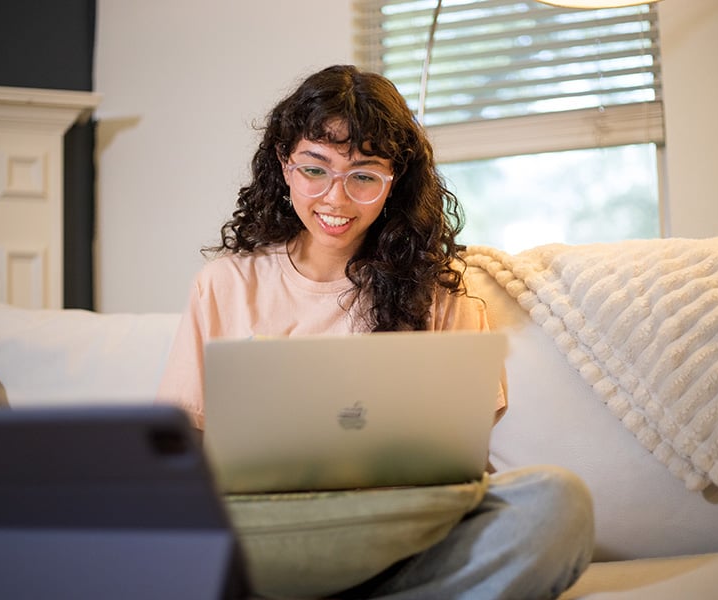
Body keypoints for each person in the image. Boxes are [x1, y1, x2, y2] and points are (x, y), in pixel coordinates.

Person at [158, 64, 594, 599]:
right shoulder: (224, 285)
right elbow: (184, 460)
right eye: (315, 169)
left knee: (556, 501)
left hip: (401, 538)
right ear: (284, 165)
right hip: (276, 542)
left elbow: (460, 465)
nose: (336, 201)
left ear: (394, 184)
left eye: (363, 176)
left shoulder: (440, 292)